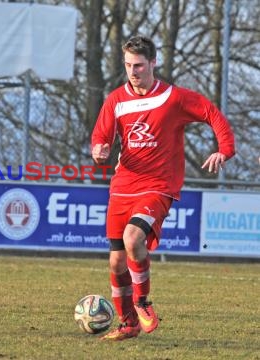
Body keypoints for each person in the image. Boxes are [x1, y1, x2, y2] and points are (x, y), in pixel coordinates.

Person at [91, 35, 235, 341]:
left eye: (139, 65)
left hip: (157, 185)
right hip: (122, 185)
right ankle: (128, 323)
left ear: (153, 63)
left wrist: (225, 149)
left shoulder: (173, 98)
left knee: (133, 238)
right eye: (128, 65)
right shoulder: (116, 100)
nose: (133, 71)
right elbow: (100, 137)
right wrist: (99, 150)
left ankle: (143, 303)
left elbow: (212, 113)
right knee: (116, 261)